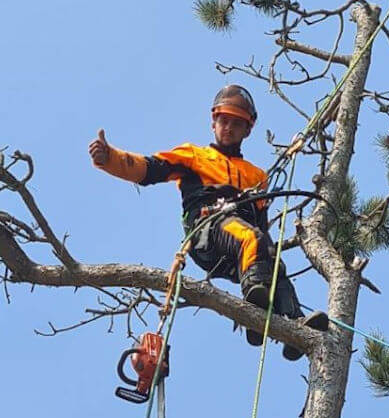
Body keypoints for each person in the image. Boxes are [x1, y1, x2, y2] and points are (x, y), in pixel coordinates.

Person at [88, 84, 327, 360]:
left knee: (272, 259)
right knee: (251, 238)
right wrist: (110, 158)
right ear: (213, 122)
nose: (228, 128)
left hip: (239, 247)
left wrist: (266, 256)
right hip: (207, 229)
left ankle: (294, 324)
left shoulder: (257, 176)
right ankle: (256, 310)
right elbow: (148, 168)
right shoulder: (195, 156)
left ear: (248, 130)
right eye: (223, 121)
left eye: (236, 124)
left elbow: (261, 226)